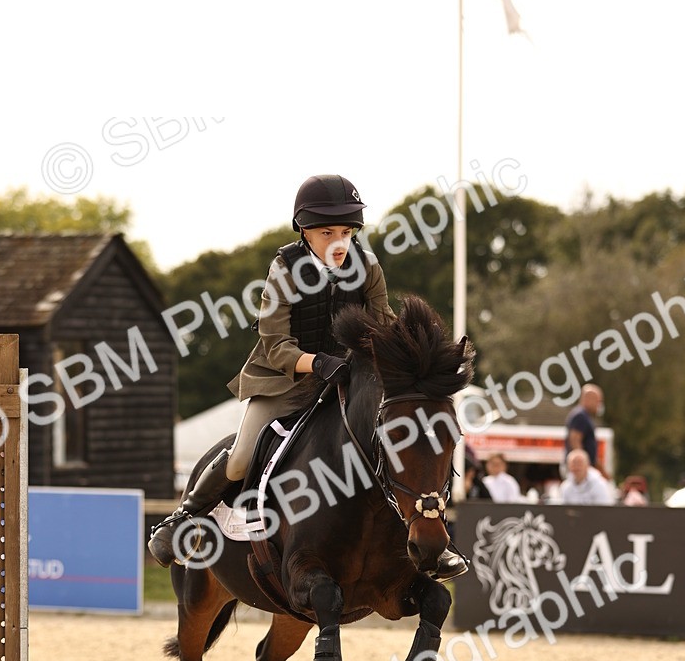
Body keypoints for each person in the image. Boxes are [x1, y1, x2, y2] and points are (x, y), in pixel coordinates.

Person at [149, 174, 468, 579]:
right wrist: (317, 363)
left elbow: (385, 326)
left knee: (402, 442)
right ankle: (180, 518)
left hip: (349, 382)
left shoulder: (368, 267)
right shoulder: (285, 268)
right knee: (242, 456)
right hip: (285, 378)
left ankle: (432, 538)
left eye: (347, 232)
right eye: (326, 232)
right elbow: (275, 343)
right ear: (304, 231)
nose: (339, 242)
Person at [564, 384, 603, 467]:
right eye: (597, 401)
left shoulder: (585, 416)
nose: (599, 405)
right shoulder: (580, 416)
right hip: (578, 469)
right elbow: (575, 441)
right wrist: (582, 464)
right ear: (588, 399)